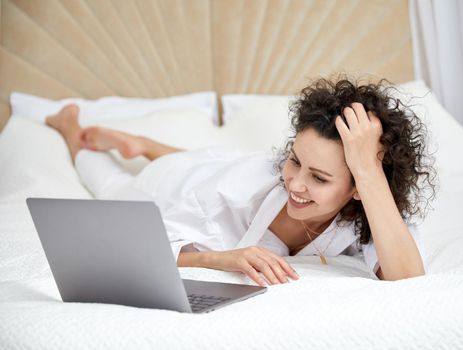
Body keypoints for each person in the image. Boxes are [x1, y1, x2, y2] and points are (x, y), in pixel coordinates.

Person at [45, 77, 435, 286]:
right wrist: (219, 259)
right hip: (179, 184)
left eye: (318, 177)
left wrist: (367, 170)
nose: (296, 184)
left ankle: (145, 145)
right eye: (295, 160)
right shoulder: (232, 193)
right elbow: (139, 246)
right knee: (111, 187)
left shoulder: (368, 203)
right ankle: (70, 128)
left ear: (357, 188)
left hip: (221, 165)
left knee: (216, 159)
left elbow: (407, 279)